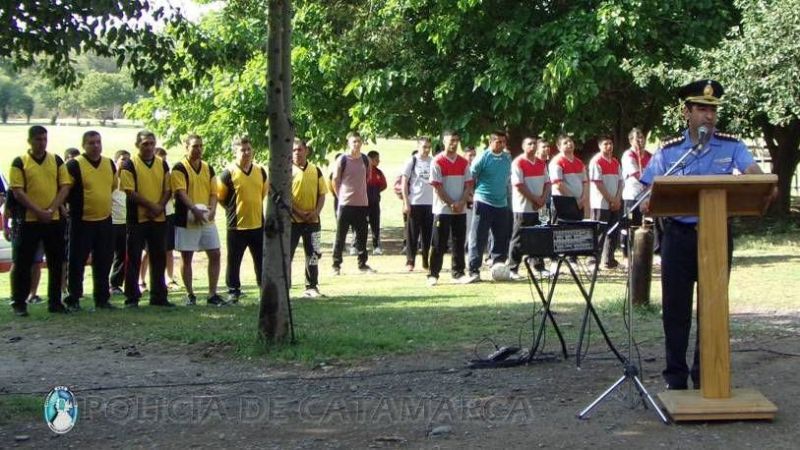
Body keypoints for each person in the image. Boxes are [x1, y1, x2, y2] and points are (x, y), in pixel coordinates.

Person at [640, 79, 768, 390]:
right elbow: (646, 195)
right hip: (678, 236)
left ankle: (707, 373)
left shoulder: (732, 146)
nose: (708, 116)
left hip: (716, 234)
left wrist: (759, 180)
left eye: (712, 110)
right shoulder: (670, 151)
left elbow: (756, 178)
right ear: (687, 113)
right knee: (676, 308)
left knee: (713, 306)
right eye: (701, 109)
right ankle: (675, 376)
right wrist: (648, 201)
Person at [8, 125, 72, 316]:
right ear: (30, 141)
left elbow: (65, 186)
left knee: (56, 261)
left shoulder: (57, 160)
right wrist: (38, 211)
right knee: (23, 262)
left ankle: (55, 302)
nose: (42, 143)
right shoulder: (20, 162)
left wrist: (52, 209)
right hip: (29, 221)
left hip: (53, 220)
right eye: (38, 139)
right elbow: (18, 192)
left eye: (44, 139)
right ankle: (19, 302)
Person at [63, 131, 117, 310]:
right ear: (83, 145)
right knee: (77, 260)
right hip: (81, 221)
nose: (95, 146)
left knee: (104, 260)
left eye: (98, 142)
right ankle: (74, 298)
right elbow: (65, 191)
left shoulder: (109, 163)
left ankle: (102, 298)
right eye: (91, 143)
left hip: (104, 220)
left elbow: (113, 187)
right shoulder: (74, 165)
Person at [119, 130, 174, 308]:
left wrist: (160, 206)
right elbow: (130, 191)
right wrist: (152, 206)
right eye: (145, 144)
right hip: (137, 220)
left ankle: (159, 296)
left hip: (158, 219)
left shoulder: (162, 165)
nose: (149, 147)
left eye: (152, 143)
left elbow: (168, 189)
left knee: (159, 258)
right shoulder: (129, 165)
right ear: (137, 145)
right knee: (133, 258)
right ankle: (132, 297)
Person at [171, 134, 225, 306]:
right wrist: (194, 210)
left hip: (206, 219)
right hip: (187, 218)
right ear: (186, 147)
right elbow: (180, 192)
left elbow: (214, 192)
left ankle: (212, 294)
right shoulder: (179, 168)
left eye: (201, 146)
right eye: (195, 146)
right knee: (187, 257)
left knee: (215, 253)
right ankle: (190, 294)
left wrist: (213, 210)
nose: (199, 149)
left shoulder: (209, 168)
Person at [218, 135, 268, 304]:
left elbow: (262, 194)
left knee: (261, 260)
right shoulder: (228, 174)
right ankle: (233, 291)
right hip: (236, 226)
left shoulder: (260, 171)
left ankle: (264, 289)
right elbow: (221, 198)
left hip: (257, 224)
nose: (246, 153)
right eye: (242, 150)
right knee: (234, 260)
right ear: (235, 152)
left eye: (248, 149)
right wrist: (233, 210)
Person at [465, 131, 512, 283]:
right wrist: (471, 195)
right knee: (478, 237)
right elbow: (470, 178)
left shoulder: (507, 158)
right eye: (498, 141)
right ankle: (473, 270)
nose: (501, 145)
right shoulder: (482, 157)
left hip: (502, 203)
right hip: (483, 201)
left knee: (501, 237)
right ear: (490, 142)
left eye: (503, 142)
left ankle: (498, 267)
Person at [427, 130, 473, 286]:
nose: (454, 143)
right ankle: (433, 274)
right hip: (443, 210)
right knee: (439, 243)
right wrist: (451, 203)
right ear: (443, 141)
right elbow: (438, 187)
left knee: (459, 242)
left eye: (456, 140)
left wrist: (461, 202)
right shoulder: (437, 161)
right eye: (451, 140)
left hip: (460, 209)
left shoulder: (463, 162)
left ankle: (458, 273)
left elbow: (468, 185)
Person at [331, 131, 375, 275]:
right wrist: (340, 196)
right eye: (354, 141)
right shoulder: (342, 159)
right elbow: (335, 180)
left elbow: (367, 177)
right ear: (348, 143)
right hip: (345, 204)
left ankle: (363, 264)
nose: (357, 144)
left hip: (361, 204)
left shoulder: (365, 159)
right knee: (341, 235)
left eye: (359, 141)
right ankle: (336, 265)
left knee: (362, 235)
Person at [290, 138, 328, 297]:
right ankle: (285, 286)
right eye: (294, 150)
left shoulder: (316, 170)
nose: (297, 153)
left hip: (313, 221)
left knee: (313, 255)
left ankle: (312, 286)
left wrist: (316, 212)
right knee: (288, 254)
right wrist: (298, 212)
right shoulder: (287, 170)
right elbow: (284, 196)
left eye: (299, 149)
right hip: (293, 221)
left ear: (306, 151)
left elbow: (322, 193)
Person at [507, 137, 550, 279]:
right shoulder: (518, 162)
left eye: (534, 144)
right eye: (529, 144)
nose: (532, 146)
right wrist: (534, 199)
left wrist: (542, 199)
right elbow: (519, 185)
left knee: (540, 235)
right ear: (523, 146)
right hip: (523, 207)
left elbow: (547, 183)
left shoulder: (541, 163)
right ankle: (513, 268)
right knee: (519, 237)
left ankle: (539, 266)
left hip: (541, 206)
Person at [140, 147, 179, 291]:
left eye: (165, 159)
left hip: (168, 214)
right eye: (160, 159)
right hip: (151, 215)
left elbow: (173, 193)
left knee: (169, 249)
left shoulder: (168, 174)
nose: (163, 162)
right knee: (147, 250)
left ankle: (169, 278)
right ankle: (141, 280)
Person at [588, 134, 623, 269]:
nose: (609, 147)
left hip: (614, 203)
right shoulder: (596, 161)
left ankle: (609, 260)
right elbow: (598, 183)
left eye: (610, 144)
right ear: (599, 146)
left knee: (613, 231)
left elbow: (620, 182)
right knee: (599, 232)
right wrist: (610, 199)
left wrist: (617, 199)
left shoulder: (615, 162)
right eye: (605, 144)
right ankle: (593, 261)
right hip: (600, 203)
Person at [619, 128, 652, 264]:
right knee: (630, 224)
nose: (640, 141)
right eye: (636, 138)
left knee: (643, 224)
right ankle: (627, 253)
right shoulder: (628, 155)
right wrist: (648, 181)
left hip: (646, 195)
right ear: (631, 140)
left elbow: (654, 170)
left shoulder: (649, 155)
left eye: (641, 138)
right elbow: (637, 174)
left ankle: (642, 251)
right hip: (632, 194)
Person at [401, 137, 433, 272]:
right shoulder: (412, 161)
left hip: (430, 203)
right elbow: (404, 182)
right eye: (424, 147)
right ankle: (410, 261)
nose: (426, 150)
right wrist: (406, 202)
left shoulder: (433, 161)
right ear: (418, 146)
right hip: (415, 202)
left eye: (428, 147)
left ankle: (426, 260)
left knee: (428, 235)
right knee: (412, 234)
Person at [549, 134, 588, 221]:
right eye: (565, 143)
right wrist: (574, 201)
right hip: (563, 203)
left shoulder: (579, 162)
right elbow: (558, 184)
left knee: (578, 231)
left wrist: (583, 198)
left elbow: (585, 182)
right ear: (559, 147)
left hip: (579, 204)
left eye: (570, 141)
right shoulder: (557, 161)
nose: (569, 144)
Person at [110, 150, 131, 295]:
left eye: (128, 160)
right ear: (116, 160)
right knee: (105, 254)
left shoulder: (130, 179)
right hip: (111, 221)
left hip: (125, 221)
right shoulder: (111, 177)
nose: (125, 162)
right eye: (123, 159)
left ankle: (116, 284)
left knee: (122, 255)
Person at [366, 150, 387, 255]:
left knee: (375, 224)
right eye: (376, 159)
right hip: (363, 203)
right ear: (369, 159)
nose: (378, 161)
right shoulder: (363, 171)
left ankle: (376, 246)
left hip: (375, 203)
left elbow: (384, 185)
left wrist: (376, 193)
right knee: (361, 225)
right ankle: (357, 246)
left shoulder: (379, 172)